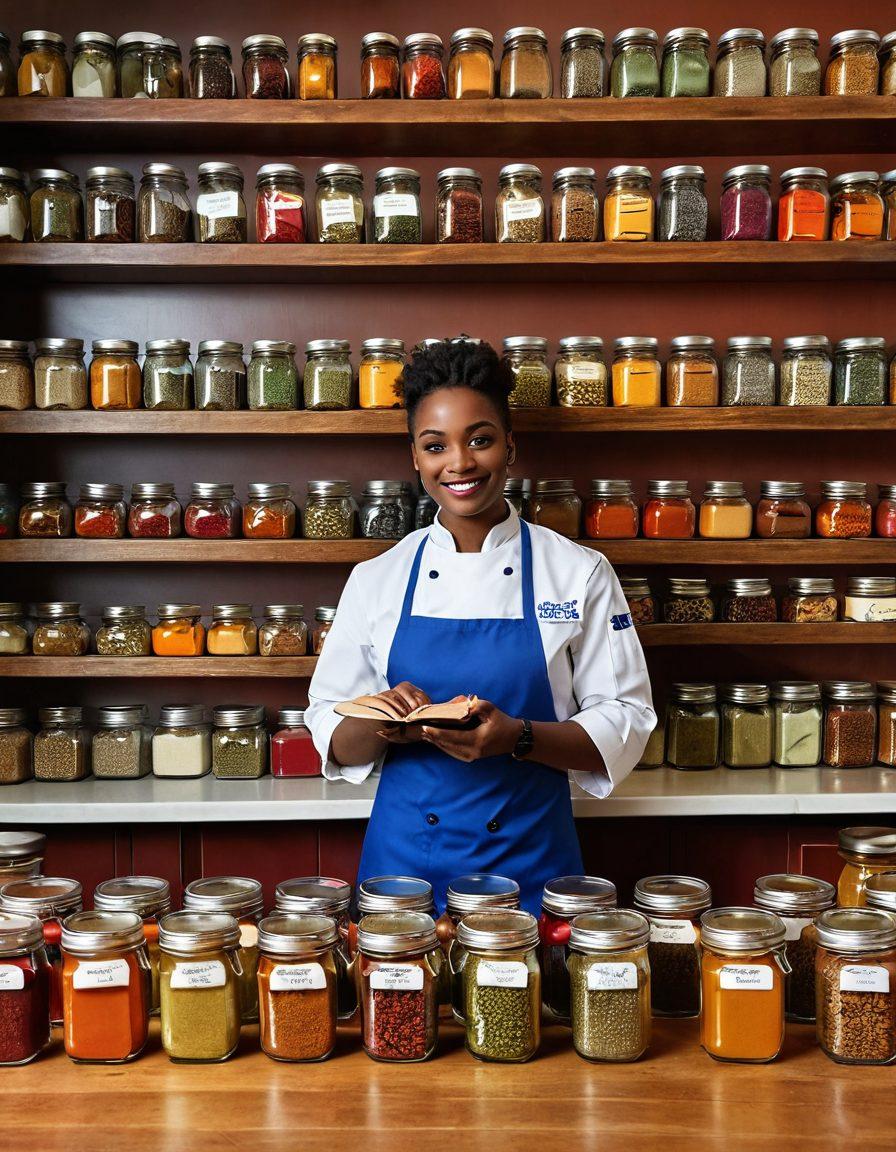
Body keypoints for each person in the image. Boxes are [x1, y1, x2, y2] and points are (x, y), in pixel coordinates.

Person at [305, 339, 655, 914]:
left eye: (481, 440)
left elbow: (627, 719)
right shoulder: (377, 579)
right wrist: (387, 721)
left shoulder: (578, 572)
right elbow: (331, 729)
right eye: (435, 445)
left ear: (510, 447)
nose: (460, 463)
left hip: (532, 873)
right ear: (414, 458)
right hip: (404, 877)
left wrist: (517, 736)